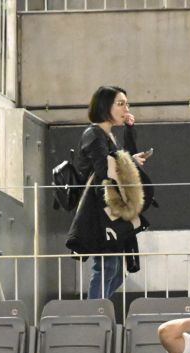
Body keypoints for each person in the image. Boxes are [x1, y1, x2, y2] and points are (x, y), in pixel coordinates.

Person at [68, 85, 148, 300]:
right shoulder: (94, 134)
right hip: (98, 211)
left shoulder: (108, 135)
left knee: (116, 273)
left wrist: (130, 130)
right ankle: (95, 313)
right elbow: (105, 170)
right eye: (120, 104)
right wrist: (129, 161)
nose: (126, 108)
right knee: (106, 268)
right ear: (105, 106)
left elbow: (124, 157)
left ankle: (97, 308)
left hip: (111, 210)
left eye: (127, 104)